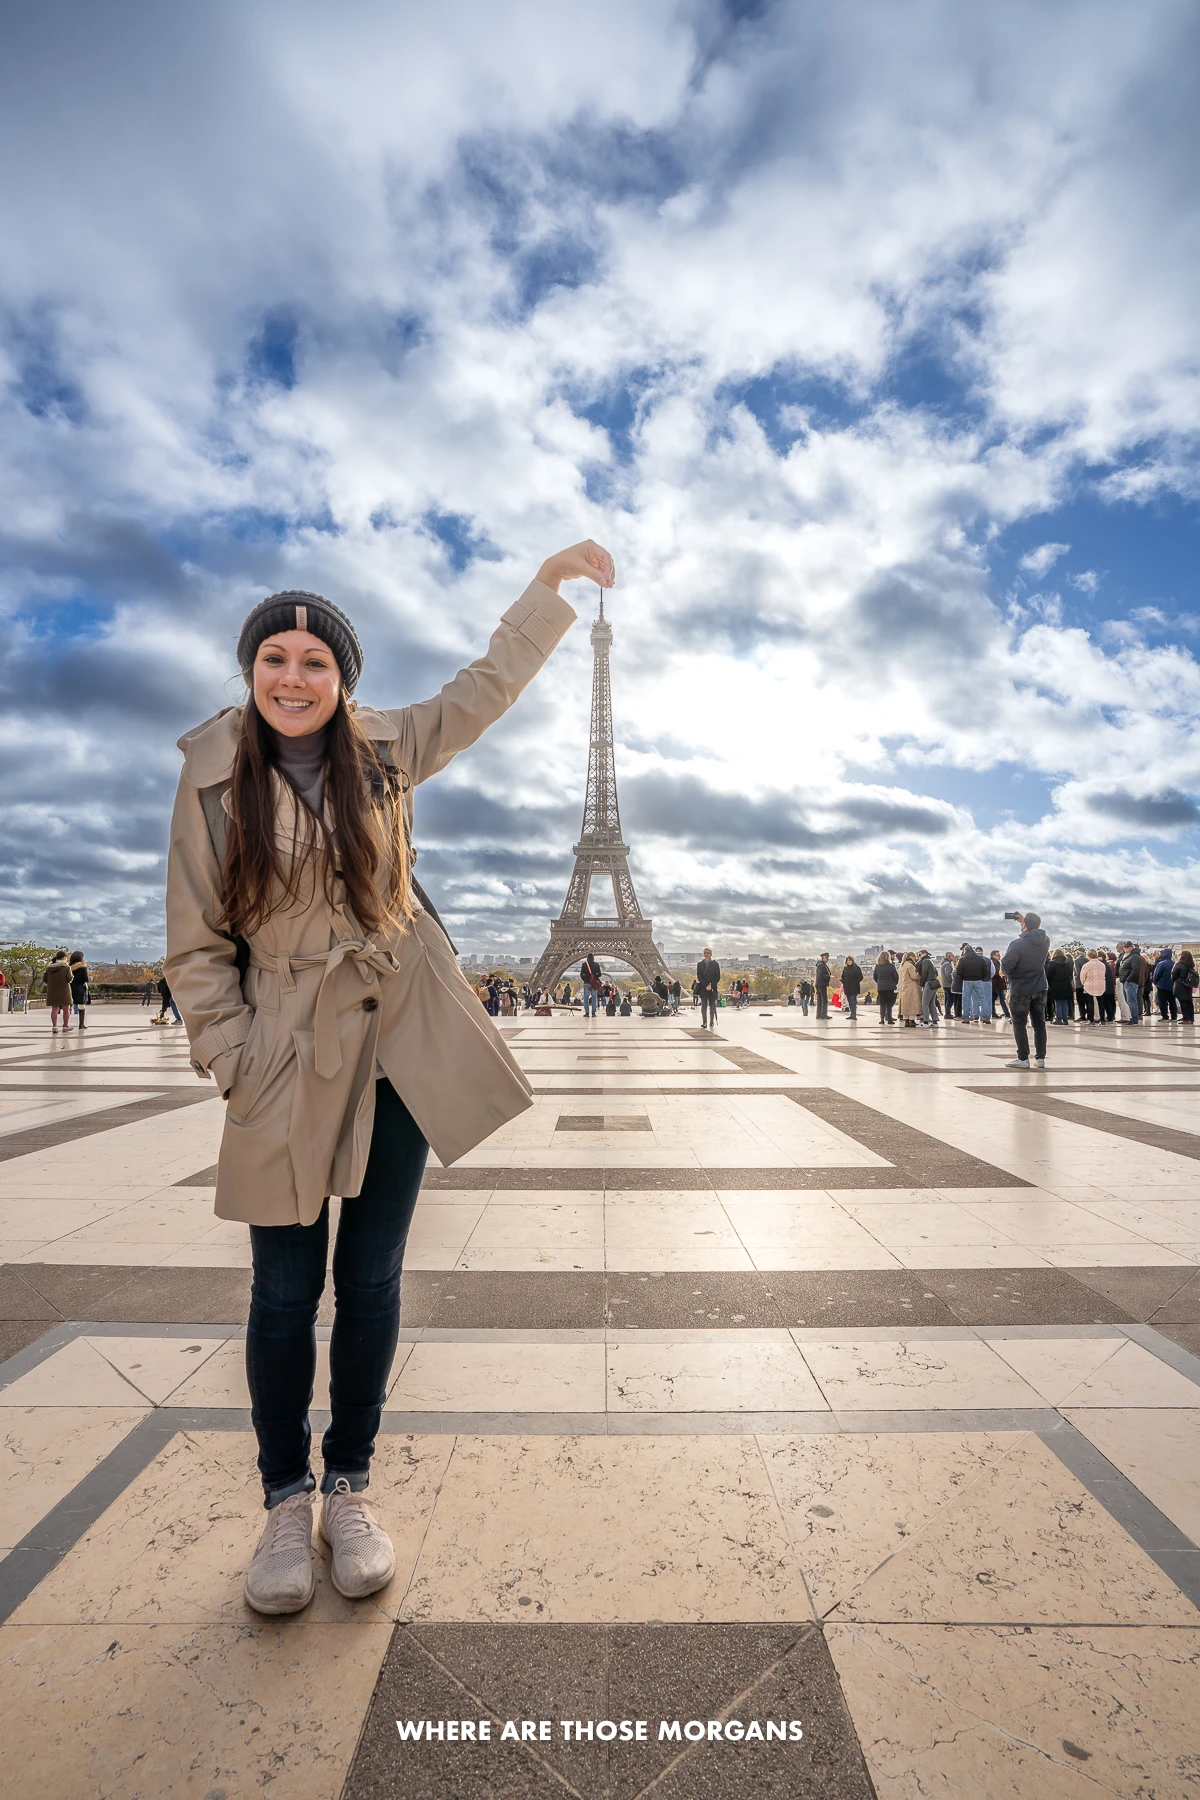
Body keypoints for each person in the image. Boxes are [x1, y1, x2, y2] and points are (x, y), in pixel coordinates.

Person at [164, 536, 612, 1616]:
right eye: (276, 656)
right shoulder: (211, 774)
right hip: (284, 1054)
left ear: (343, 680)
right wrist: (234, 1059)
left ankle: (349, 1486)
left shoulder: (393, 748)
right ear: (250, 669)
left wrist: (544, 595)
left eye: (316, 662)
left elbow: (486, 688)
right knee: (282, 1289)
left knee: (369, 1282)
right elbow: (192, 940)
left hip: (398, 1047)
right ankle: (283, 1499)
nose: (293, 677)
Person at [1001, 911, 1050, 1069]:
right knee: (1039, 1024)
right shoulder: (1045, 941)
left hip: (1021, 988)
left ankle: (1023, 1058)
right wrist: (1024, 922)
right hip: (1040, 986)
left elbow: (1006, 967)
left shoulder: (1016, 944)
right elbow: (1033, 934)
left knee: (1019, 1023)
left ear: (1025, 926)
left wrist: (1002, 972)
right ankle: (1040, 1058)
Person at [957, 943, 992, 1024]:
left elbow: (959, 971)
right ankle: (986, 1017)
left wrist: (963, 978)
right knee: (983, 998)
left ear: (965, 950)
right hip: (978, 980)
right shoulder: (980, 959)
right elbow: (986, 970)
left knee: (966, 999)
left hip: (967, 981)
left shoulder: (963, 959)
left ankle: (966, 1017)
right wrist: (981, 977)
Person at [44, 951, 73, 1033]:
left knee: (54, 1009)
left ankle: (54, 1027)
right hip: (64, 990)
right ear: (64, 957)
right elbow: (69, 978)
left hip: (52, 990)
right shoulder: (66, 967)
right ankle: (65, 1026)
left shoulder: (50, 968)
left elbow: (45, 979)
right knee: (66, 1009)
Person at [1116, 942, 1143, 1026]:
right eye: (1124, 947)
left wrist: (1128, 979)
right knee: (1129, 1001)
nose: (1125, 949)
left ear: (1131, 947)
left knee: (1132, 1001)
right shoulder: (1126, 956)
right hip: (1125, 981)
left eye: (1127, 947)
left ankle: (1134, 1019)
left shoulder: (1134, 957)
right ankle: (1132, 1017)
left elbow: (1135, 970)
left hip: (1130, 982)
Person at [1046, 949, 1074, 1025]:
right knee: (1065, 1002)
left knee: (1058, 1002)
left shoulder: (1052, 963)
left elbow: (1049, 974)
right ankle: (1065, 1019)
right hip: (1066, 984)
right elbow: (1071, 973)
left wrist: (1048, 984)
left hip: (1056, 984)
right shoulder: (1067, 962)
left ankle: (1058, 1018)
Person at [1079, 950, 1107, 1024]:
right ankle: (1102, 1020)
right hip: (1100, 985)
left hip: (1089, 986)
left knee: (1090, 1003)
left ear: (1088, 956)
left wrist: (1084, 983)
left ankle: (1091, 1020)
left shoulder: (1086, 965)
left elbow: (1082, 977)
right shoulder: (1102, 965)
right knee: (1101, 1003)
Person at [696, 948, 721, 1029]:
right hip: (704, 988)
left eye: (708, 953)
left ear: (711, 954)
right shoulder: (700, 964)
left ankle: (711, 1021)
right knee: (704, 1006)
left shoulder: (715, 964)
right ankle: (704, 1022)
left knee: (712, 1006)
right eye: (705, 953)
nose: (706, 954)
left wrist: (711, 985)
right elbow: (699, 976)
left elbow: (717, 977)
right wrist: (706, 985)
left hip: (712, 988)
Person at [897, 951, 923, 1027]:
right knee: (912, 1003)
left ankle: (906, 1020)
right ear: (911, 957)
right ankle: (911, 1020)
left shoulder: (902, 965)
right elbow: (914, 976)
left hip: (904, 986)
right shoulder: (910, 965)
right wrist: (919, 975)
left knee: (905, 1004)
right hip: (911, 986)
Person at [1172, 949, 1197, 1025]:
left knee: (1183, 1002)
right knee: (1189, 1002)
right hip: (1188, 986)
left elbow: (1173, 975)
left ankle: (1186, 1019)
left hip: (1180, 986)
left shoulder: (1179, 965)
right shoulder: (1191, 966)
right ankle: (1191, 1018)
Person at [873, 951, 897, 1024]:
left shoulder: (877, 966)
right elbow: (896, 977)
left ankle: (882, 1019)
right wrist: (894, 983)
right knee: (889, 1005)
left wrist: (879, 982)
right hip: (890, 987)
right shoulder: (891, 966)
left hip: (881, 987)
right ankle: (889, 1019)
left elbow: (875, 977)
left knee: (882, 1004)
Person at [1153, 948, 1177, 1022]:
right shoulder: (1174, 963)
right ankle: (1174, 1017)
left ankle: (1165, 1016)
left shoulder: (1161, 964)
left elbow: (1156, 974)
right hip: (1172, 985)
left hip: (1162, 985)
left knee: (1162, 1002)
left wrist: (1155, 982)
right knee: (1172, 1002)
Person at [918, 950, 941, 1026]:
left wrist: (921, 983)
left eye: (919, 954)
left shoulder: (925, 961)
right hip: (934, 983)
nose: (919, 956)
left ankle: (926, 1022)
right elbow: (936, 973)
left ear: (924, 954)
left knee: (925, 1003)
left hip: (929, 983)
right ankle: (935, 1021)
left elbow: (924, 973)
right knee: (932, 1003)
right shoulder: (931, 961)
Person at [840, 956, 862, 1021]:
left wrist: (855, 982)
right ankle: (852, 1015)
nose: (849, 961)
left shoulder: (856, 968)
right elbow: (843, 977)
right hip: (847, 987)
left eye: (850, 960)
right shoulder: (845, 968)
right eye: (848, 960)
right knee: (849, 1002)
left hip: (854, 987)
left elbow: (860, 977)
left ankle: (854, 1015)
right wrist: (842, 981)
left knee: (853, 1001)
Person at [580, 954, 602, 1018]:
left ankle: (587, 1012)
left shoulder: (584, 964)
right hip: (594, 984)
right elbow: (600, 974)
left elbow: (581, 974)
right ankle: (593, 1013)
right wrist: (595, 977)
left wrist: (585, 979)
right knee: (594, 998)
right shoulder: (596, 964)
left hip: (586, 983)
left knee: (586, 998)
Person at [990, 952, 1010, 1019]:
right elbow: (997, 973)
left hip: (994, 984)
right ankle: (1006, 1013)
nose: (999, 956)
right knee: (1002, 998)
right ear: (993, 956)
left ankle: (993, 1013)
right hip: (997, 984)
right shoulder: (994, 963)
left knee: (993, 999)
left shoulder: (994, 962)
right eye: (998, 955)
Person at [814, 953, 831, 1020]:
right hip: (822, 984)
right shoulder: (821, 965)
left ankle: (819, 1014)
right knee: (824, 1000)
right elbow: (821, 975)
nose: (827, 959)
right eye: (826, 957)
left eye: (828, 957)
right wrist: (829, 977)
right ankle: (823, 1014)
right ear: (822, 958)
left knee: (820, 999)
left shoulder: (820, 964)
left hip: (819, 984)